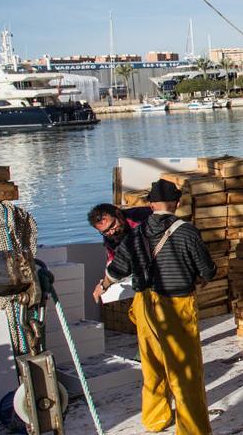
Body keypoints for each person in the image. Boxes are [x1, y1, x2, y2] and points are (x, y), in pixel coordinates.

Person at [108, 179, 216, 434]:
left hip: (144, 304)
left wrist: (102, 285)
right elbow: (208, 271)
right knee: (185, 371)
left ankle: (155, 419)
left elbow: (118, 269)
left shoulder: (136, 233)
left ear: (150, 204)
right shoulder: (187, 231)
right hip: (176, 304)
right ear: (177, 203)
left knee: (152, 365)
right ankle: (191, 429)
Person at [88, 203, 151, 303]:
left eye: (112, 225)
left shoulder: (142, 218)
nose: (111, 232)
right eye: (105, 231)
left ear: (118, 214)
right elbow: (113, 260)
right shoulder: (110, 236)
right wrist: (104, 283)